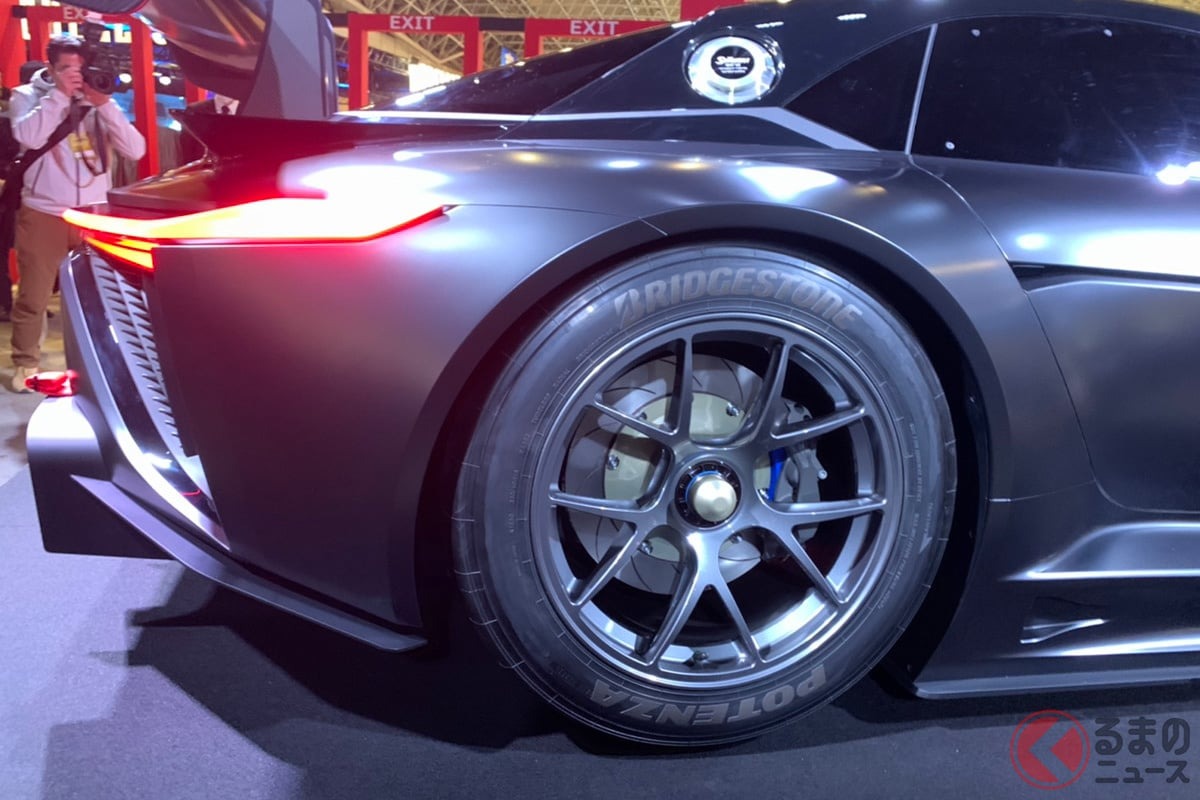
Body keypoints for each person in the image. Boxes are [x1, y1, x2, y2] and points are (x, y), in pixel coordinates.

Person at [8, 35, 145, 393]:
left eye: (79, 68)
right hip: (44, 212)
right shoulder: (27, 96)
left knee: (101, 295)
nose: (74, 75)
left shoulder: (96, 98)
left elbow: (135, 149)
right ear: (50, 67)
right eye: (66, 68)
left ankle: (106, 364)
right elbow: (29, 137)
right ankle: (25, 363)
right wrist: (58, 97)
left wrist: (105, 105)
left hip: (92, 215)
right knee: (34, 296)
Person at [176, 93, 238, 165]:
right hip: (203, 168)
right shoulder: (195, 110)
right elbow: (187, 150)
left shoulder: (248, 111)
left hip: (241, 169)